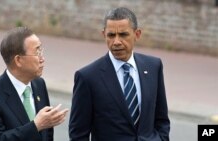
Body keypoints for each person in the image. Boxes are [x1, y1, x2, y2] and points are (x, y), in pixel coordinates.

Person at [69, 7, 170, 141]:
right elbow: (78, 134)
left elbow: (161, 119)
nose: (116, 42)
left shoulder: (153, 66)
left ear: (137, 34)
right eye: (111, 35)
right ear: (104, 35)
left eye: (123, 34)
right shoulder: (87, 77)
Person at [0, 26, 69, 141]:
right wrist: (36, 126)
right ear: (18, 60)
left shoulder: (39, 84)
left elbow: (47, 134)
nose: (42, 58)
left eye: (41, 50)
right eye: (37, 52)